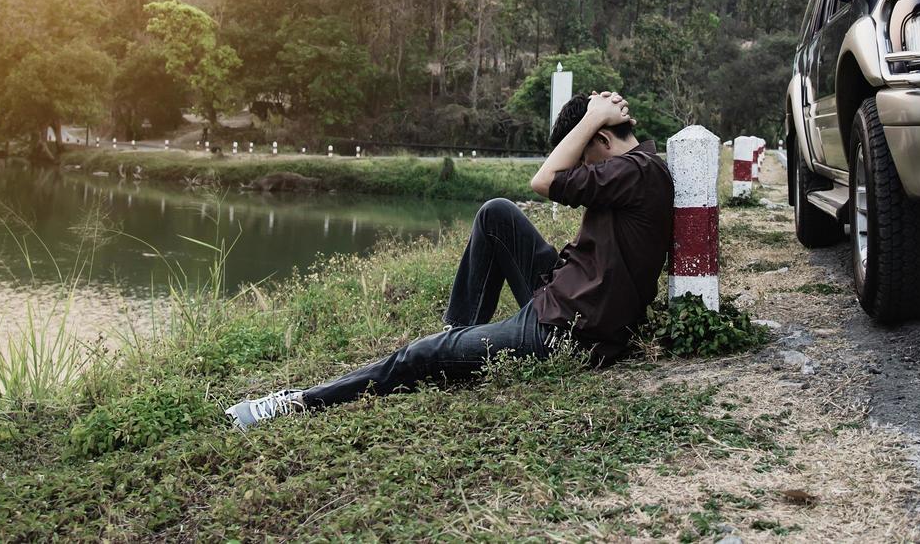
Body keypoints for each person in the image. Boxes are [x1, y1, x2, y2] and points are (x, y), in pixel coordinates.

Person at [226, 90, 674, 429]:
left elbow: (546, 179)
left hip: (566, 330)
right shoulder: (638, 170)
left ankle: (294, 402)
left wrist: (593, 115)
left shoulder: (633, 171)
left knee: (417, 356)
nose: (582, 168)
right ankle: (457, 338)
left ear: (598, 137)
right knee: (496, 213)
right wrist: (593, 121)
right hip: (568, 296)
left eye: (584, 153)